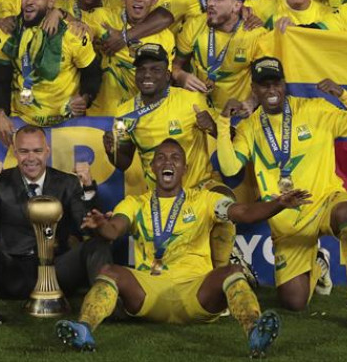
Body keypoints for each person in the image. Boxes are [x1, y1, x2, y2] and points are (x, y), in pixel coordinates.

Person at [56, 138, 308, 356]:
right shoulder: (134, 203)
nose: (168, 162)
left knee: (232, 272)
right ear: (153, 168)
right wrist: (101, 225)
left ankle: (255, 331)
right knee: (109, 272)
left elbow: (244, 213)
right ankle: (83, 329)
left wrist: (279, 204)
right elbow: (113, 230)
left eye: (175, 158)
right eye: (161, 158)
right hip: (148, 293)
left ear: (184, 169)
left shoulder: (205, 200)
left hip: (196, 292)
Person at [216, 57, 347, 329]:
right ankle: (319, 263)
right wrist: (223, 122)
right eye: (264, 85)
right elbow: (230, 167)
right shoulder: (249, 127)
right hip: (287, 221)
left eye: (276, 83)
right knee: (294, 301)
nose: (271, 90)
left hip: (324, 201)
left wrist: (343, 95)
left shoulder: (315, 109)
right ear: (254, 90)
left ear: (284, 84)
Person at [104, 43, 243, 274]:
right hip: (162, 197)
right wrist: (112, 151)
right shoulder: (124, 113)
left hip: (200, 185)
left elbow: (232, 136)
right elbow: (123, 162)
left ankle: (221, 272)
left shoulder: (191, 100)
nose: (147, 75)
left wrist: (213, 127)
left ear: (168, 75)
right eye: (142, 69)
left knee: (225, 201)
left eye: (155, 69)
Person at [0, 125, 111, 325]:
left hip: (58, 270)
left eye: (37, 151)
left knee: (97, 246)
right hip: (15, 272)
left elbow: (87, 226)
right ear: (15, 152)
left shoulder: (67, 182)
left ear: (47, 151)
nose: (31, 158)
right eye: (24, 151)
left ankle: (104, 303)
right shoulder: (0, 182)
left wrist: (88, 188)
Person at [0, 0, 100, 143]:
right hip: (21, 123)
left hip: (66, 123)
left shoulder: (72, 34)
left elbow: (92, 72)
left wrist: (85, 98)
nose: (29, 1)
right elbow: (0, 80)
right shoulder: (8, 32)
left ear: (51, 2)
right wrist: (0, 113)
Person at [173, 0, 272, 109]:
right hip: (199, 110)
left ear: (237, 6)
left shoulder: (256, 35)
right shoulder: (194, 25)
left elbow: (266, 80)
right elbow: (175, 65)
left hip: (236, 113)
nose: (210, 3)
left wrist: (252, 102)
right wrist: (180, 76)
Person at [90, 0, 175, 116]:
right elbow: (74, 26)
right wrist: (60, 13)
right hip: (99, 114)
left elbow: (163, 81)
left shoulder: (165, 37)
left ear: (154, 1)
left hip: (139, 115)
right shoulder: (102, 17)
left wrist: (123, 37)